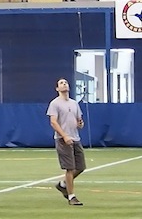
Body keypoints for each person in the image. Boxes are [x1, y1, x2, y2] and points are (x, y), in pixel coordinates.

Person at [46, 78, 86, 206]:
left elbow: (79, 121)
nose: (64, 84)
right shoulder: (55, 103)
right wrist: (64, 136)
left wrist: (80, 124)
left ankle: (63, 184)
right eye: (61, 83)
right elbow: (53, 121)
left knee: (80, 167)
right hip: (63, 139)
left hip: (75, 138)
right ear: (57, 88)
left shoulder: (74, 103)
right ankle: (71, 196)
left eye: (66, 83)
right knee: (70, 168)